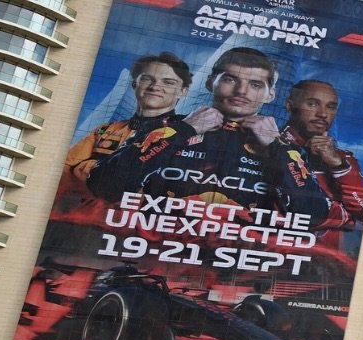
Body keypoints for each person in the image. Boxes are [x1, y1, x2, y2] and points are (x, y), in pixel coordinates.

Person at [87, 46, 333, 225]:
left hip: (232, 265)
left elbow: (314, 215)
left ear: (270, 95)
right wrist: (184, 131)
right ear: (210, 83)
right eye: (230, 79)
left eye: (255, 85)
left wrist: (277, 148)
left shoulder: (285, 149)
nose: (241, 91)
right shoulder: (164, 128)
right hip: (150, 253)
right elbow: (104, 185)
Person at [62, 52, 194, 197]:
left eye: (168, 82)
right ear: (134, 83)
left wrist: (89, 169)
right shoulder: (105, 129)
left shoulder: (187, 133)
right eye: (147, 79)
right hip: (86, 208)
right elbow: (64, 171)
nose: (155, 87)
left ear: (183, 91)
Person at [279, 79, 363, 228]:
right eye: (312, 104)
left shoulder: (343, 159)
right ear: (290, 106)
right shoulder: (267, 146)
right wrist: (344, 217)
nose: (323, 114)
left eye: (330, 107)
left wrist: (338, 166)